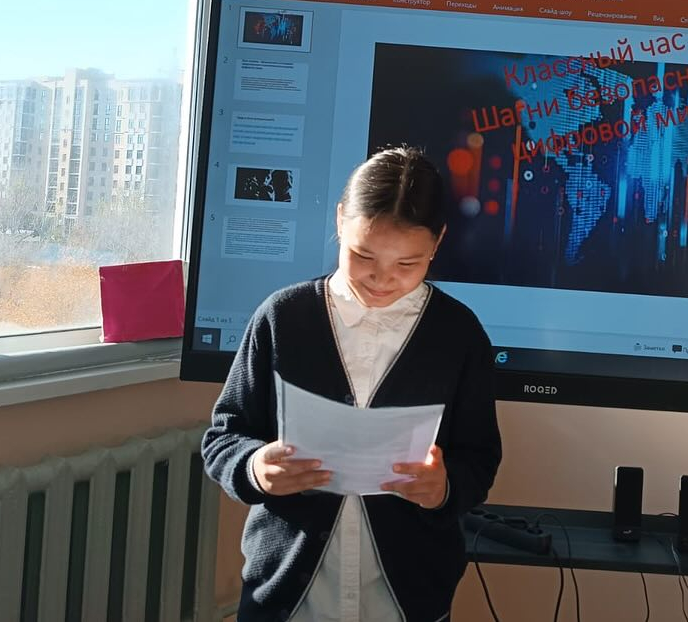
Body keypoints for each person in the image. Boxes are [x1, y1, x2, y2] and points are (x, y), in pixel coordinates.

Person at [203, 146, 502, 622]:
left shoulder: (459, 335)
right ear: (340, 220)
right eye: (363, 255)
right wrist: (256, 468)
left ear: (439, 242)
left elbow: (480, 458)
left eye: (408, 264)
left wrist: (444, 487)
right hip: (286, 595)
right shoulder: (283, 317)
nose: (382, 279)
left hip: (406, 599)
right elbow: (224, 436)